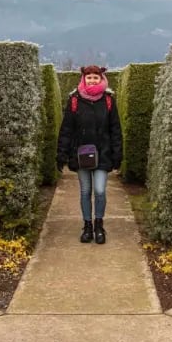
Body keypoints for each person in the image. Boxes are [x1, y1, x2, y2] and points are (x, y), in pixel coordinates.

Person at [57, 65, 123, 244]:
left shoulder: (108, 100)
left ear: (101, 79)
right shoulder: (74, 100)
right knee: (85, 191)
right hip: (81, 154)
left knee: (100, 191)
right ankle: (87, 226)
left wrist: (117, 154)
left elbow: (115, 129)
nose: (92, 80)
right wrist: (61, 154)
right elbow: (67, 129)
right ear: (83, 79)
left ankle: (99, 225)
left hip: (103, 153)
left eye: (96, 77)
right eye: (89, 77)